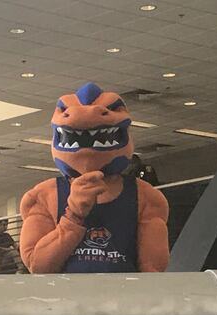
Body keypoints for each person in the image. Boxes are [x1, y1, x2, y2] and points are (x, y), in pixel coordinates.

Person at [19, 82, 169, 274]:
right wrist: (73, 216)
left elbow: (153, 270)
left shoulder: (146, 197)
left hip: (123, 300)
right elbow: (38, 266)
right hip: (64, 301)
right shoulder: (44, 196)